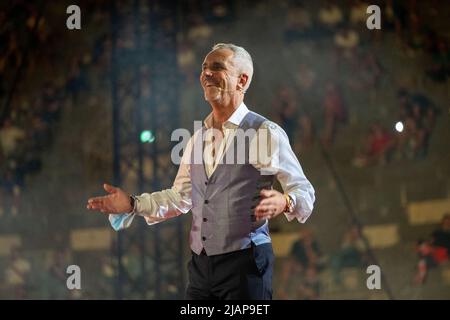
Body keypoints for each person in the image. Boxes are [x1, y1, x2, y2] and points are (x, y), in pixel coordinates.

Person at [86, 43, 315, 300]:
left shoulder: (264, 132)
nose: (206, 73)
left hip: (245, 262)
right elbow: (181, 196)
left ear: (242, 80)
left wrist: (285, 201)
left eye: (217, 67)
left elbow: (303, 191)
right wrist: (132, 204)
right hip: (201, 266)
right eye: (204, 68)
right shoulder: (197, 139)